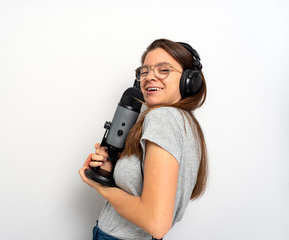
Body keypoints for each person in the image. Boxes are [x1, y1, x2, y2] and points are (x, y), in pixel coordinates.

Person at [79, 38, 208, 240]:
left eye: (164, 70)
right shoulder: (183, 121)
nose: (150, 77)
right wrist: (112, 167)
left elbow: (156, 223)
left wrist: (102, 188)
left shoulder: (162, 118)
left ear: (189, 81)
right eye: (145, 71)